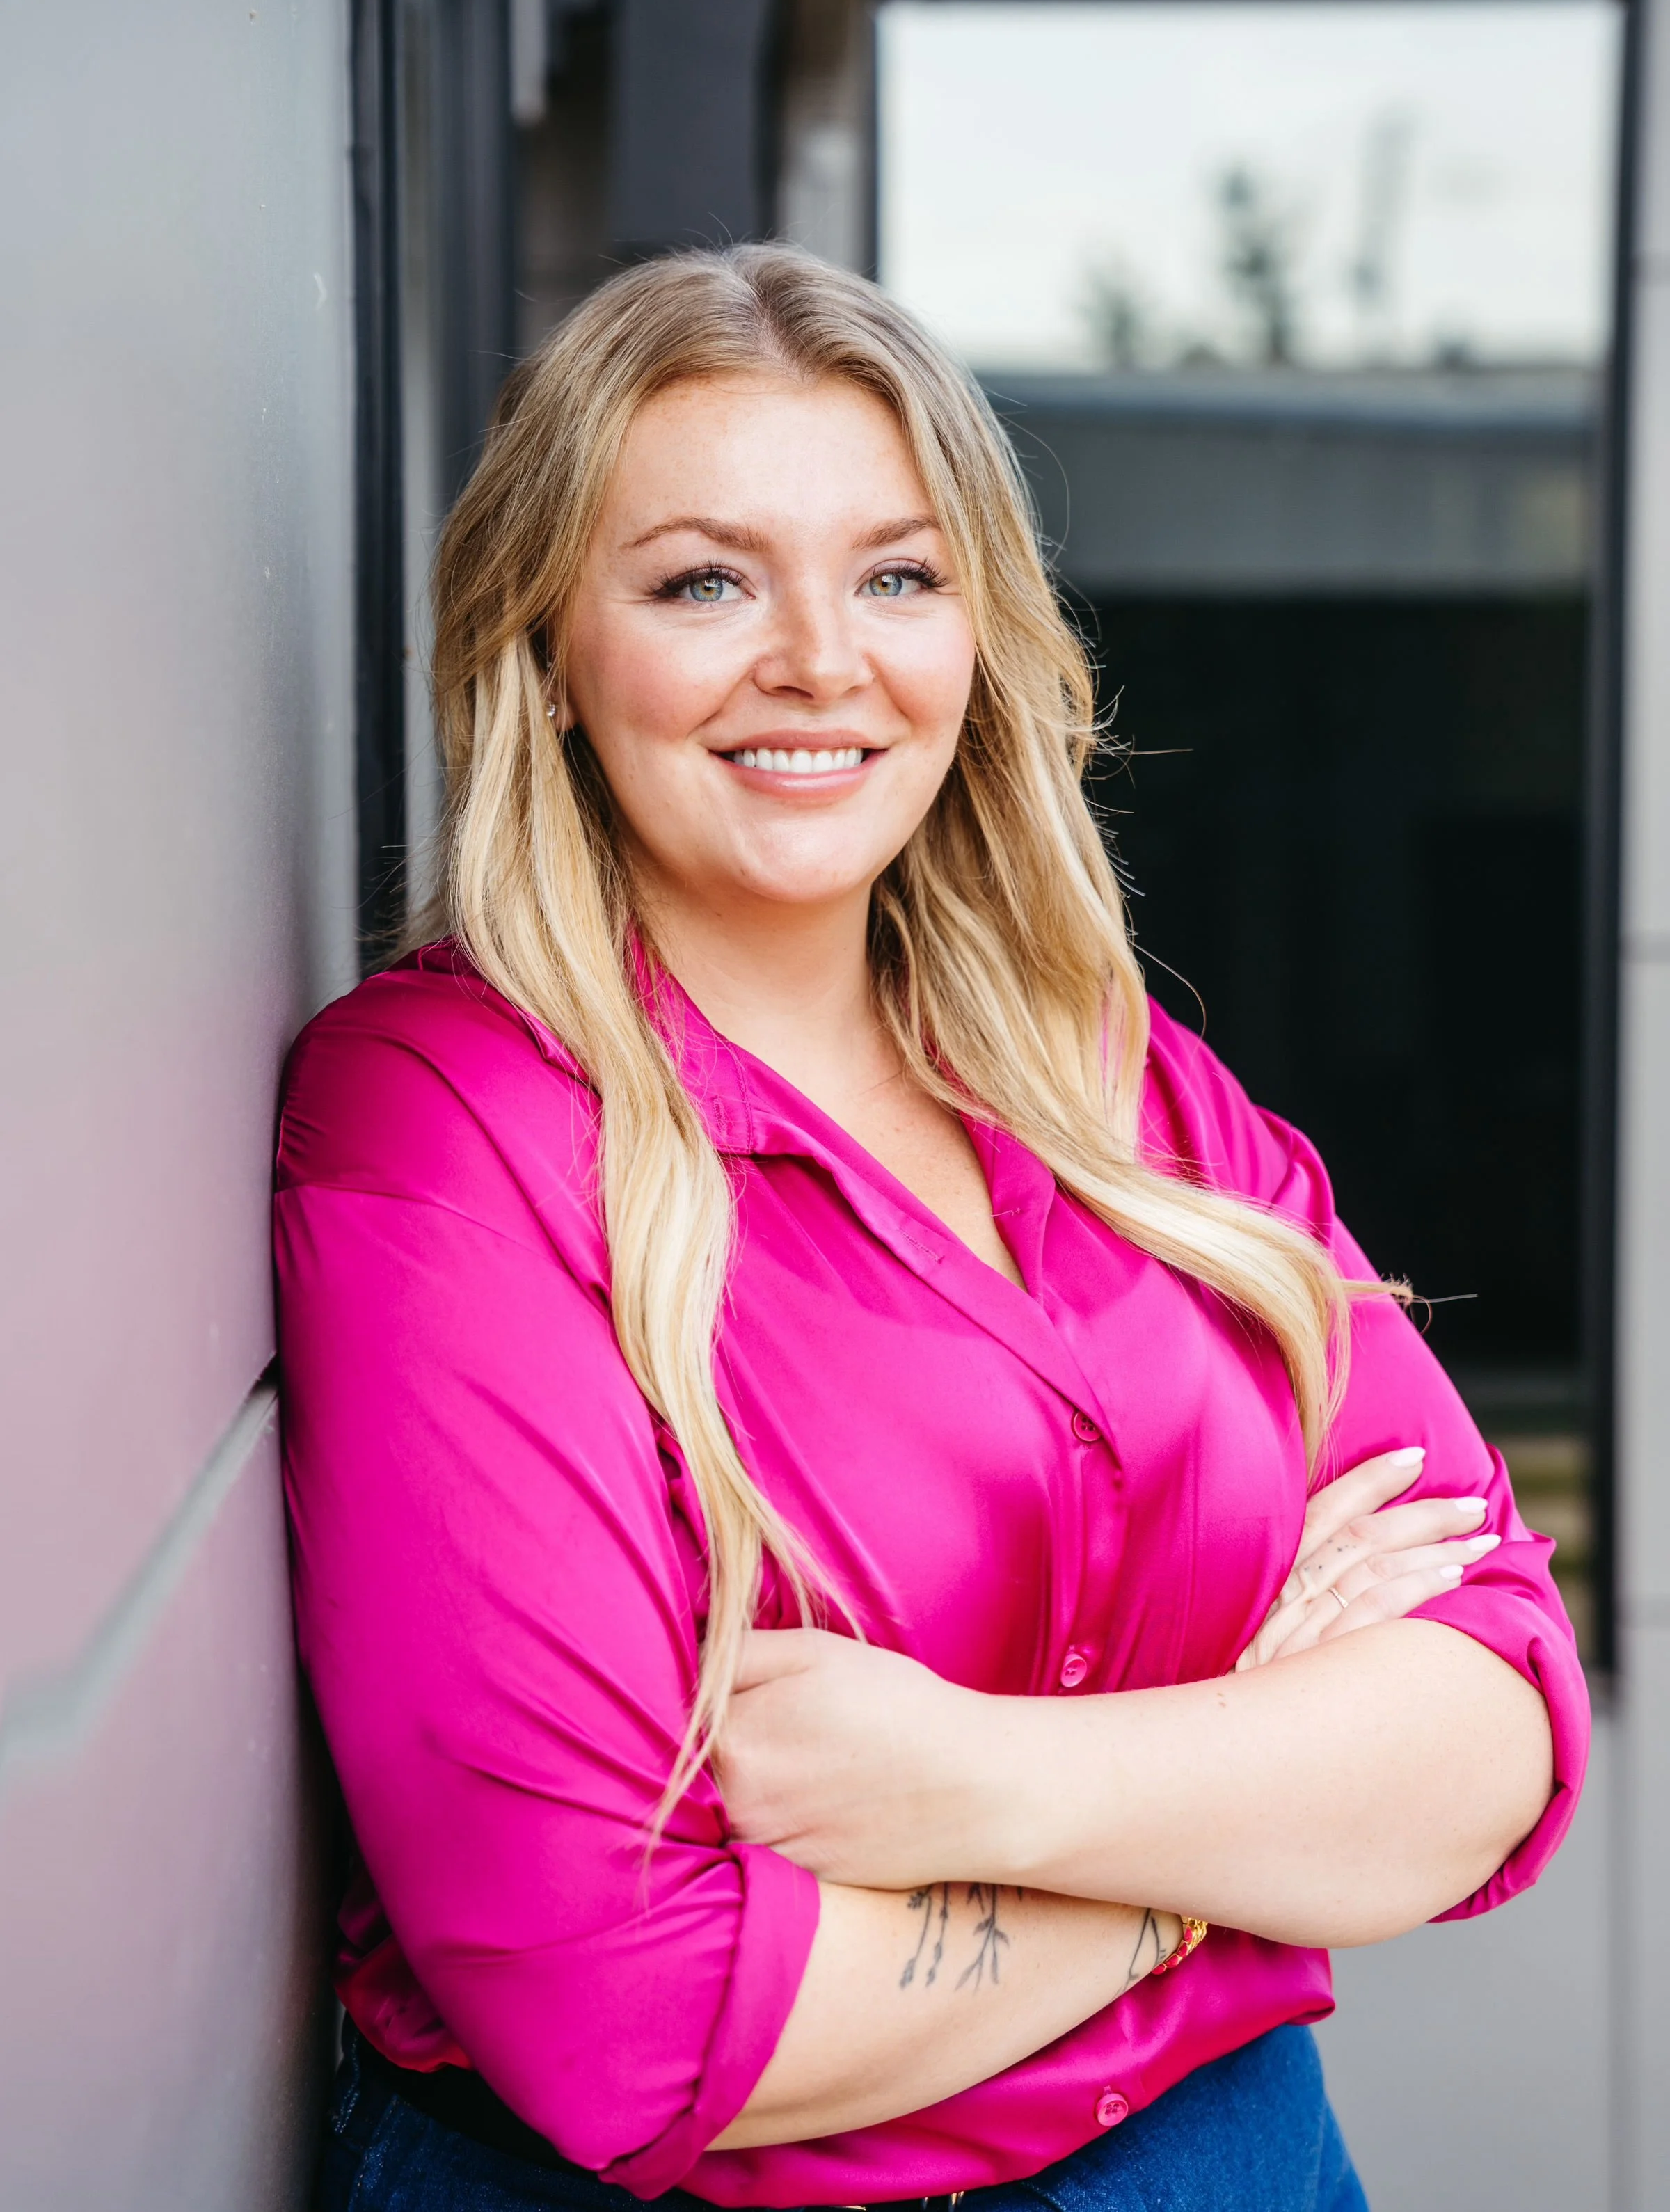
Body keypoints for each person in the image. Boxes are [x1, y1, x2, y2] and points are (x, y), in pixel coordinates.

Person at [276, 246, 1584, 2212]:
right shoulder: (446, 1123)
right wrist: (1233, 1847)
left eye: (896, 573)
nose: (822, 657)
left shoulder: (1118, 1086)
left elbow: (1496, 1712)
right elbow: (630, 2012)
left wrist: (984, 1785)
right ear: (548, 644)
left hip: (1236, 2166)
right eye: (705, 577)